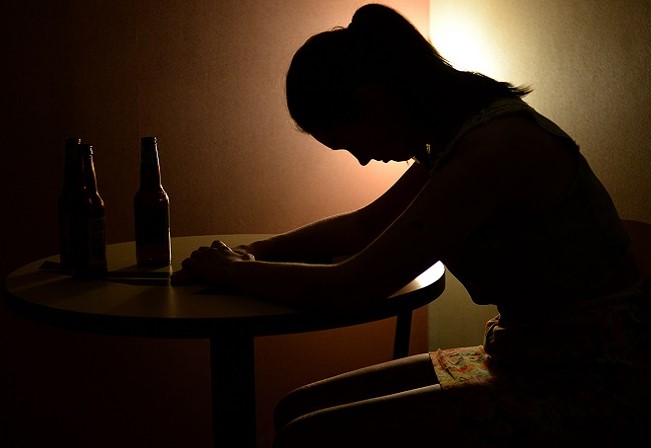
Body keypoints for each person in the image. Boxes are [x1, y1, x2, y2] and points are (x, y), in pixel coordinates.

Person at [172, 4, 650, 446]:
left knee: (308, 435)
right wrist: (256, 251)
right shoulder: (457, 136)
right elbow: (364, 227)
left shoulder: (493, 148)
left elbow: (355, 285)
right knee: (293, 410)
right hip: (528, 352)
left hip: (595, 376)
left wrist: (235, 272)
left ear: (373, 102)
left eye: (350, 142)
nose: (362, 159)